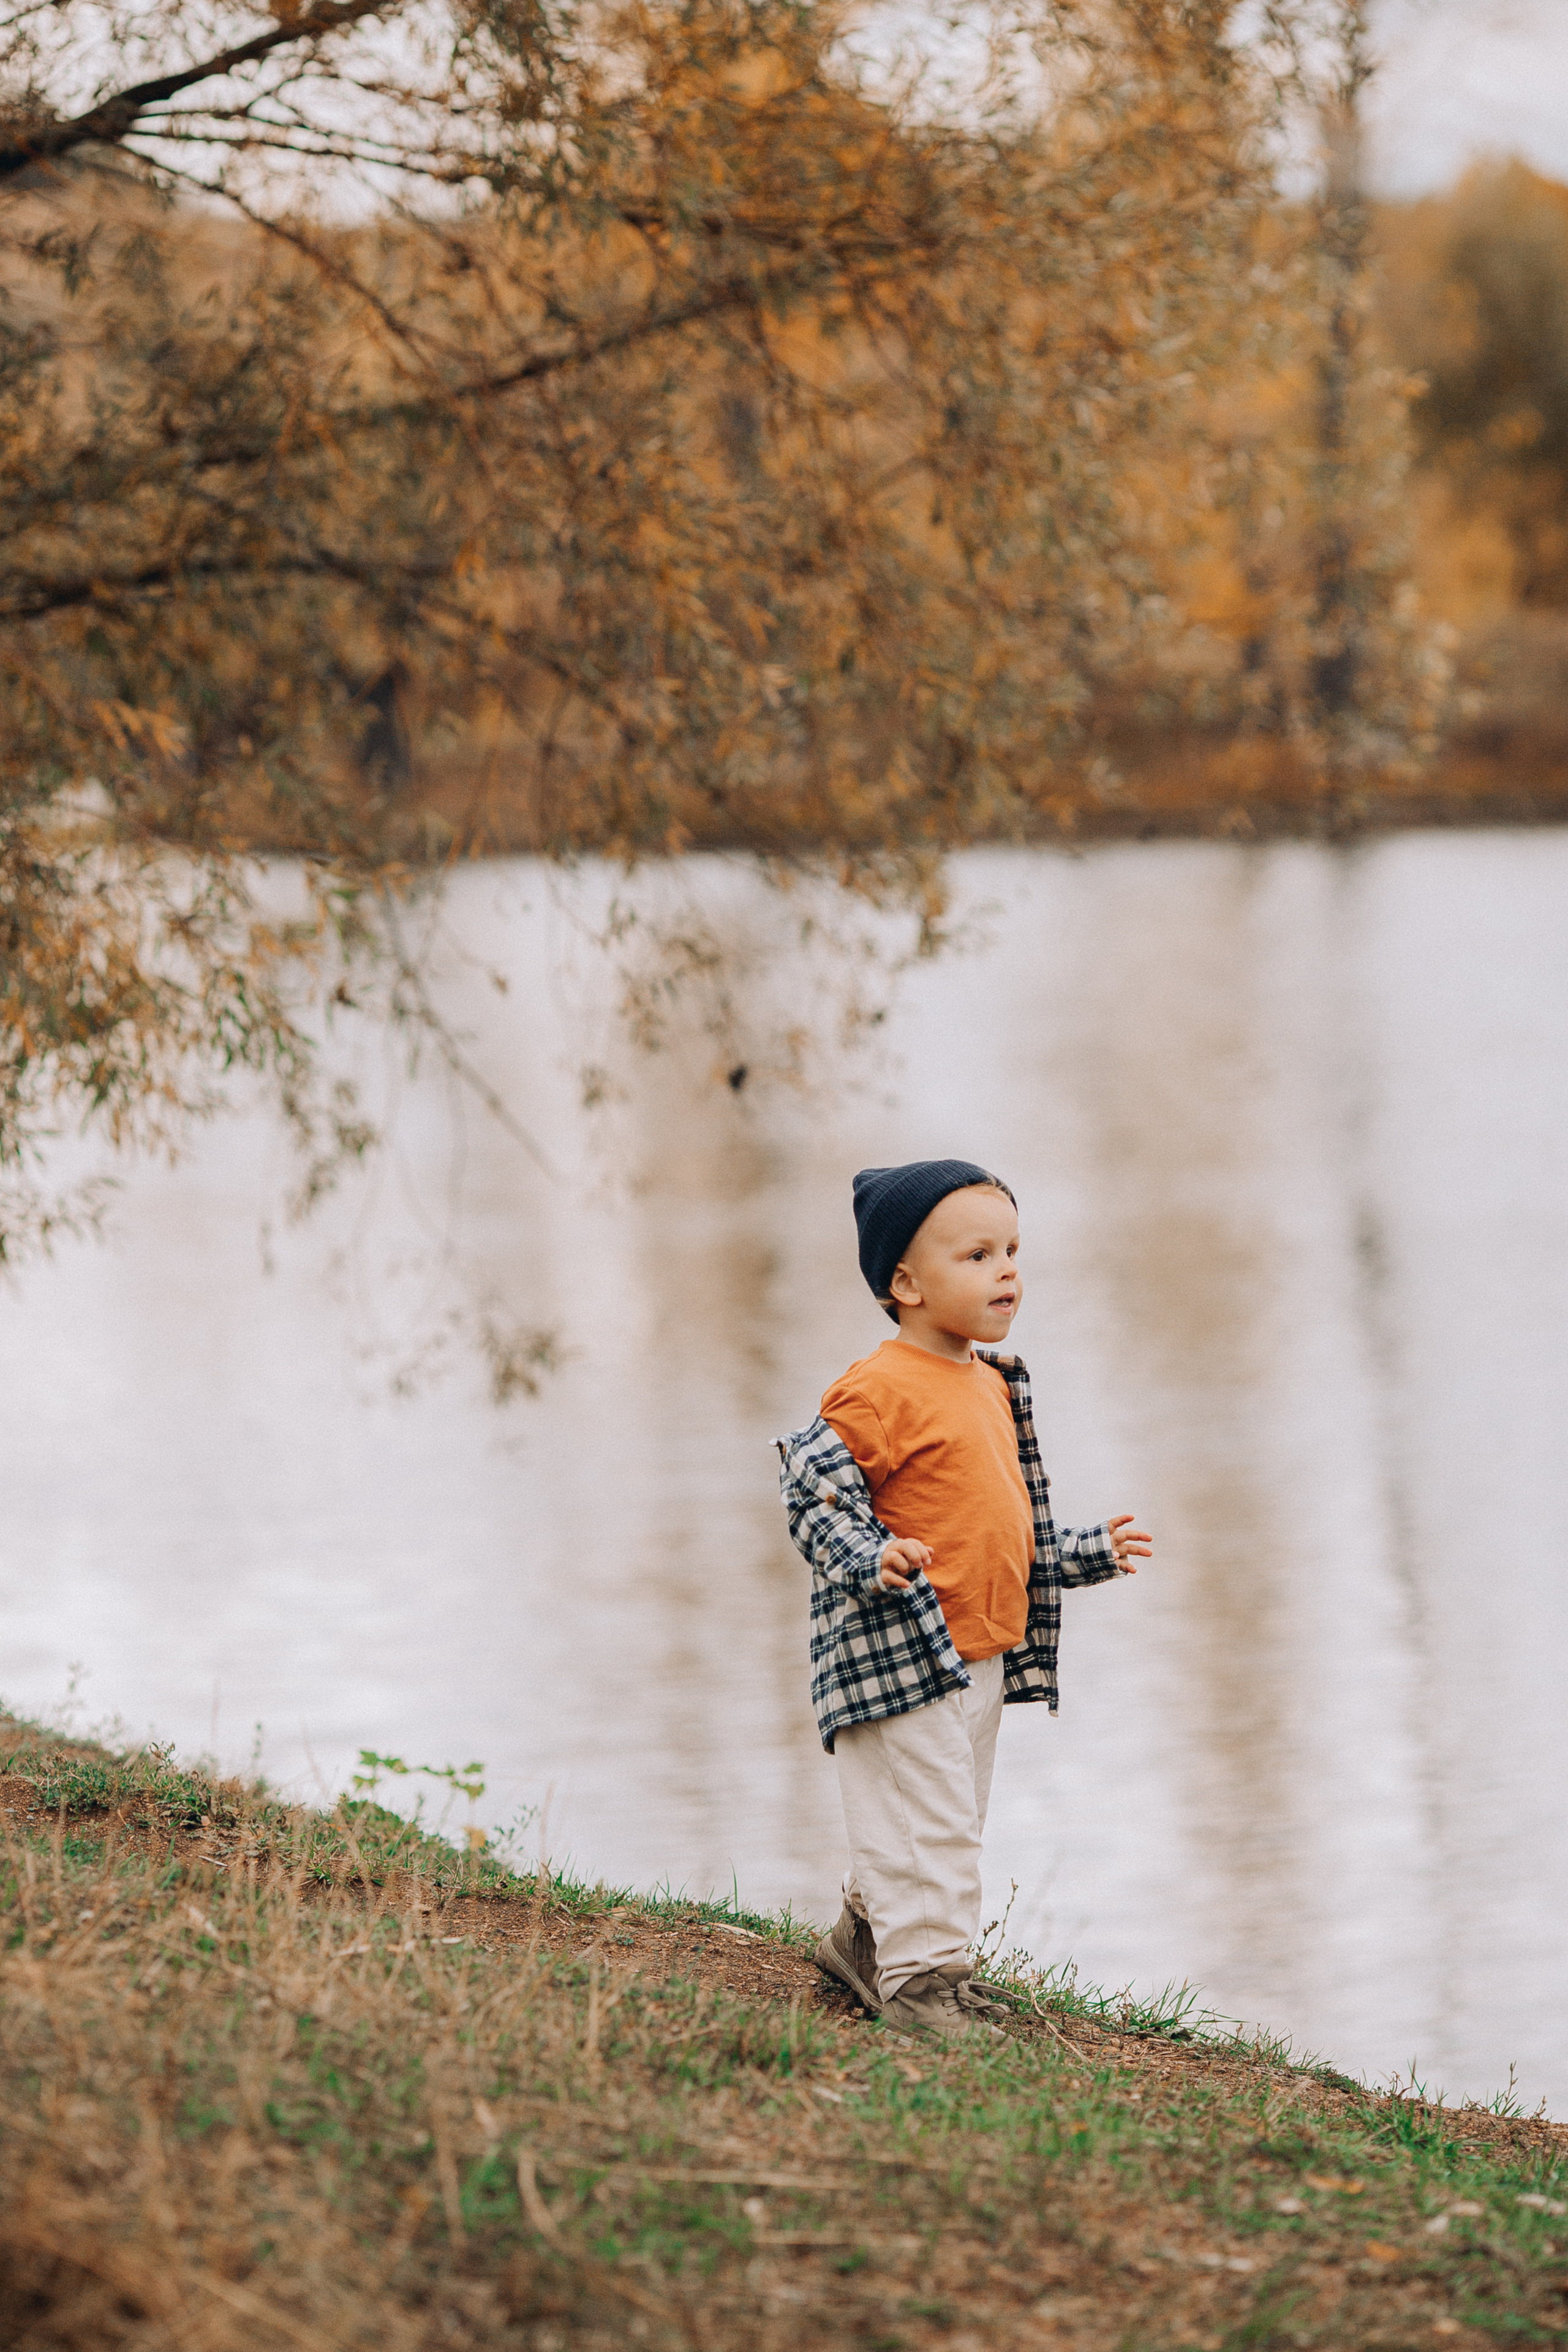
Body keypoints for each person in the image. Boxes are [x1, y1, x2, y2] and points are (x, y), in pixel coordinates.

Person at [776, 1159, 1150, 2041]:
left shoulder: (990, 1382)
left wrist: (1084, 1553)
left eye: (1012, 1250)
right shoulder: (878, 1388)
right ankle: (923, 1992)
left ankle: (869, 1941)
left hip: (976, 1652)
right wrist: (873, 1554)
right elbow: (810, 1490)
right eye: (978, 1254)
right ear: (905, 1284)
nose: (1009, 1271)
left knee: (935, 1818)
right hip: (899, 1656)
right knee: (935, 1830)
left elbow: (1001, 1527)